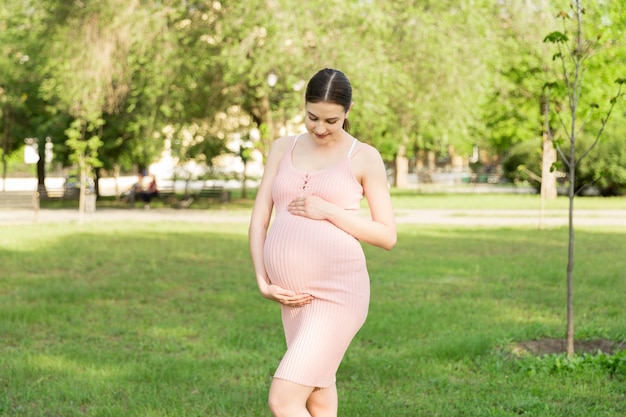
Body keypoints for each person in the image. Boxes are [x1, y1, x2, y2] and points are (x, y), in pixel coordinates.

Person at [248, 68, 397, 417]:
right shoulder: (284, 148)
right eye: (312, 116)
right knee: (317, 396)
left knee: (283, 400)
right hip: (293, 298)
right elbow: (259, 219)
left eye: (331, 120)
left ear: (349, 111)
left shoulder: (363, 157)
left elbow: (387, 236)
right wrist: (262, 280)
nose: (319, 128)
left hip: (338, 295)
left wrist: (328, 210)